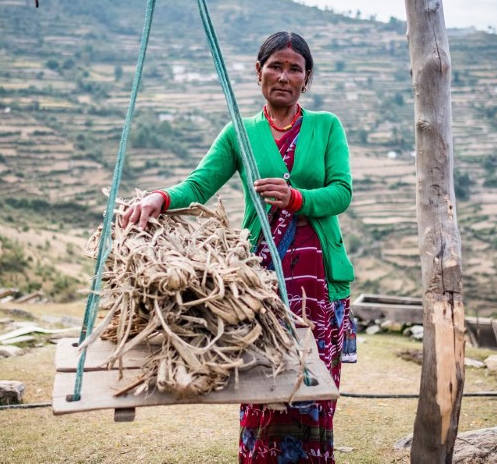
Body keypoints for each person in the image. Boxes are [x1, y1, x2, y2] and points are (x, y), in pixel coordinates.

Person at [121, 31, 355, 463]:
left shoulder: (326, 126)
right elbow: (200, 184)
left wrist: (297, 198)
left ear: (307, 78)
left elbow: (341, 192)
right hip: (259, 287)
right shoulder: (239, 133)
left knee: (313, 389)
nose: (284, 76)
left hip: (317, 285)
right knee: (262, 385)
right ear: (258, 72)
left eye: (294, 68)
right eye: (275, 66)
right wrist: (159, 198)